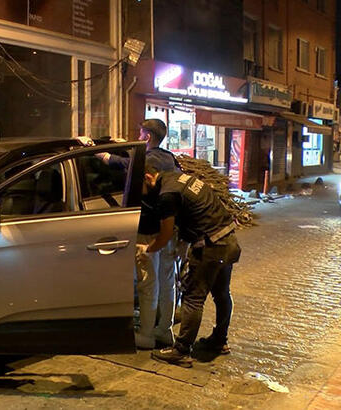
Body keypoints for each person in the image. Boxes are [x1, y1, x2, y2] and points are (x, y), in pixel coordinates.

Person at [143, 158, 241, 367]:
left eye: (142, 187)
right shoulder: (181, 178)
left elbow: (166, 233)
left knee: (193, 298)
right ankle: (219, 341)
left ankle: (180, 350)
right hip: (228, 239)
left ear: (148, 177)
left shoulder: (166, 195)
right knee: (222, 294)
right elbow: (195, 212)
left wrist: (148, 249)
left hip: (210, 246)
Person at [98, 119, 181, 349]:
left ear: (147, 137)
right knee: (167, 281)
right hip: (170, 227)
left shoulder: (146, 159)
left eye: (140, 132)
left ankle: (145, 334)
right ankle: (165, 330)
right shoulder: (169, 158)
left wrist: (100, 154)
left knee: (147, 281)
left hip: (148, 228)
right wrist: (124, 145)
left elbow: (122, 164)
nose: (138, 135)